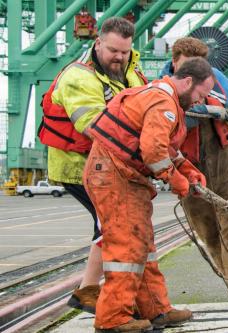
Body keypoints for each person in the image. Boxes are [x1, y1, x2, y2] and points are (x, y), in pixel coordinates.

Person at [82, 57, 214, 332]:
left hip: (122, 176)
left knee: (143, 246)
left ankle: (156, 308)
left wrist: (187, 170)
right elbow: (154, 153)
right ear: (188, 81)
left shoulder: (160, 96)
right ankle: (112, 318)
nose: (200, 101)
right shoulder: (164, 102)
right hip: (114, 176)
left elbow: (164, 147)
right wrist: (179, 182)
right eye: (201, 94)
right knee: (127, 247)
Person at [37, 17, 148, 314]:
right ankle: (102, 296)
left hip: (111, 166)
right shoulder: (78, 77)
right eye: (113, 50)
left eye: (124, 52)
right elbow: (93, 126)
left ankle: (90, 290)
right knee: (113, 227)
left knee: (110, 226)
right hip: (80, 167)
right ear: (97, 43)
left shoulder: (132, 72)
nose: (119, 57)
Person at [158, 37, 228, 310]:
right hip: (187, 164)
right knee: (207, 230)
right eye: (186, 67)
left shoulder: (216, 78)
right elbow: (184, 115)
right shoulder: (160, 88)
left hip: (224, 157)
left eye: (198, 67)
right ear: (174, 60)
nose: (192, 74)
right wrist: (218, 111)